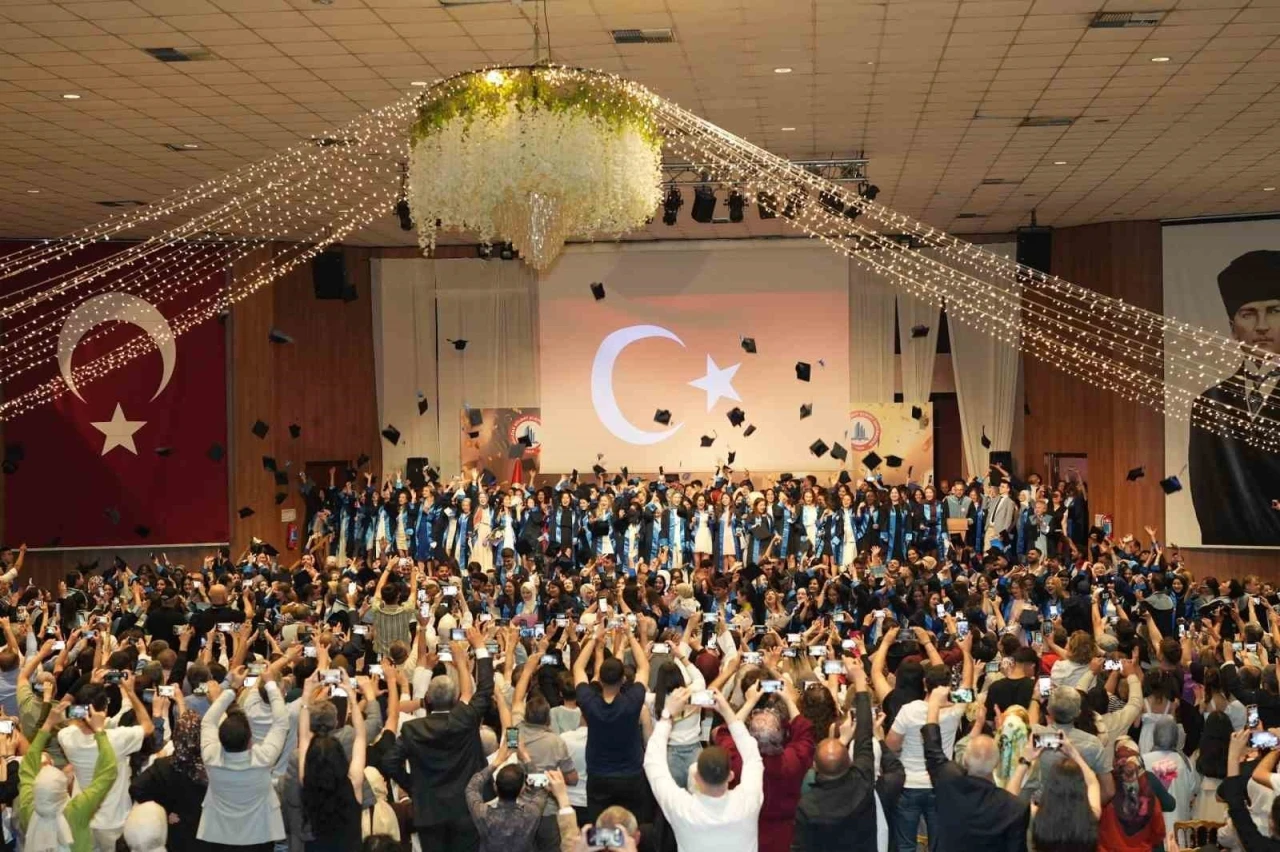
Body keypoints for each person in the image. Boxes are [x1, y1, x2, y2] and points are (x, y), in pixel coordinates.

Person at [1188, 249, 1280, 546]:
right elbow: (1206, 491)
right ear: (1233, 329)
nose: (1262, 326)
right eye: (1248, 314)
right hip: (1232, 549)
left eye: (1274, 311)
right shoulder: (1209, 402)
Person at [382, 629, 494, 852]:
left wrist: (413, 786)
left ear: (428, 700)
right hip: (466, 809)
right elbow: (485, 689)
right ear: (454, 699)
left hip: (430, 812)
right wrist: (479, 648)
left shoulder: (413, 729)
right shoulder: (466, 719)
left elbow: (389, 762)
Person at [644, 686, 763, 852]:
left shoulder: (682, 809)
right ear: (730, 776)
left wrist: (667, 716)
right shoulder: (748, 801)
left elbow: (653, 762)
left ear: (696, 777)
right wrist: (727, 712)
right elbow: (753, 757)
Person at [921, 686, 1028, 852]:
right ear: (996, 763)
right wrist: (1025, 761)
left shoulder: (948, 782)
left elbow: (932, 747)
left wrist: (933, 703)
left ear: (964, 760)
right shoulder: (1014, 807)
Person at [713, 679, 814, 852]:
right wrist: (789, 700)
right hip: (783, 838)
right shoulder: (793, 761)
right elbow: (805, 732)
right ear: (782, 735)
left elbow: (726, 732)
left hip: (745, 836)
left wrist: (750, 701)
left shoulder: (737, 762)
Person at [57, 674, 154, 852]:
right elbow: (148, 727)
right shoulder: (117, 739)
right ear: (105, 709)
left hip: (82, 816)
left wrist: (91, 690)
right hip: (113, 821)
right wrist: (130, 692)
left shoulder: (66, 737)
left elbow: (71, 720)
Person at [198, 664, 290, 851]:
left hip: (219, 834)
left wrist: (232, 688)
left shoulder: (210, 756)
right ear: (250, 741)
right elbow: (281, 722)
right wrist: (271, 684)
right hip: (259, 834)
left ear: (220, 739)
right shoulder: (263, 758)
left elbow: (207, 722)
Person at [792, 658, 880, 852]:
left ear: (815, 767)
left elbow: (800, 847)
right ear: (849, 761)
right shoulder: (863, 782)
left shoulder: (807, 805)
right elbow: (864, 733)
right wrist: (860, 681)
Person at [572, 624, 651, 823]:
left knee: (599, 826)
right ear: (623, 679)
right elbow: (644, 667)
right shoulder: (633, 701)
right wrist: (630, 635)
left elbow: (578, 668)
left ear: (599, 679)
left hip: (598, 776)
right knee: (631, 825)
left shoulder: (589, 702)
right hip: (631, 775)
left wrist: (594, 637)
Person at [18, 699, 118, 852]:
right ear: (62, 791)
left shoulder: (27, 809)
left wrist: (48, 724)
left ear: (35, 789)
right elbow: (108, 772)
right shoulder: (76, 811)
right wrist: (99, 731)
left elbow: (27, 766)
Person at [298, 670, 368, 852]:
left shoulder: (306, 781)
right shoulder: (353, 784)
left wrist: (306, 695)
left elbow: (304, 737)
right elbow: (361, 737)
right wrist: (352, 697)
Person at [129, 709, 209, 852]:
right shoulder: (212, 767)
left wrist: (163, 810)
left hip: (174, 833)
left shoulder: (163, 766)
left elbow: (136, 788)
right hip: (204, 833)